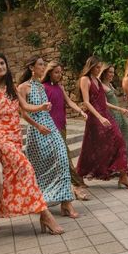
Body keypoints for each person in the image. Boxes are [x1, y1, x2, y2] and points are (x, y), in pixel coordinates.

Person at [0, 53, 64, 235]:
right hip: (1, 138)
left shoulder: (12, 87)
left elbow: (24, 107)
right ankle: (45, 214)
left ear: (7, 66)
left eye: (2, 63)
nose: (0, 66)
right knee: (26, 168)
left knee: (4, 180)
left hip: (16, 137)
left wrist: (40, 108)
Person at [18, 55, 78, 218]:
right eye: (40, 65)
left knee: (63, 158)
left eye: (44, 65)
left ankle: (66, 203)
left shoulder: (41, 86)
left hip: (50, 125)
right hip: (37, 129)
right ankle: (40, 200)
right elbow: (24, 112)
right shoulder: (23, 87)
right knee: (40, 168)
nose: (43, 68)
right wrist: (39, 118)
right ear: (32, 67)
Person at [76, 56, 128, 189]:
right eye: (97, 67)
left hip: (105, 115)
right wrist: (99, 117)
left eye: (99, 67)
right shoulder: (84, 79)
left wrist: (119, 108)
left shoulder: (97, 80)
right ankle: (79, 175)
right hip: (95, 118)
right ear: (90, 66)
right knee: (90, 147)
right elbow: (86, 102)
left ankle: (123, 177)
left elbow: (103, 101)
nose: (99, 70)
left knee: (120, 141)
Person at [42, 60, 89, 200]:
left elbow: (69, 102)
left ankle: (70, 186)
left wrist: (80, 111)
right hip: (51, 128)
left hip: (62, 126)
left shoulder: (60, 87)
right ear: (49, 73)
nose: (59, 74)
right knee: (64, 156)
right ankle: (75, 186)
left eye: (60, 72)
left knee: (63, 156)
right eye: (56, 72)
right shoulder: (43, 88)